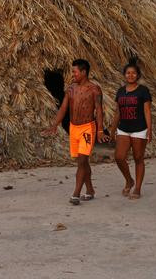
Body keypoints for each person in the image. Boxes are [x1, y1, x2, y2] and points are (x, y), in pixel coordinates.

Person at [43, 59, 105, 205]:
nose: (73, 74)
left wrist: (100, 130)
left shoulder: (94, 89)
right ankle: (90, 190)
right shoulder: (71, 89)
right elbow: (63, 108)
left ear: (83, 72)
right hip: (74, 128)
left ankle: (76, 194)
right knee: (82, 161)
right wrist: (54, 125)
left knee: (82, 161)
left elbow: (99, 111)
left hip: (87, 128)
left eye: (75, 72)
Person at [109, 58, 152, 199]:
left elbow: (147, 111)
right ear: (124, 75)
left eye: (133, 73)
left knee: (138, 158)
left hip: (139, 129)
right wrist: (112, 130)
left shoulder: (143, 91)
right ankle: (129, 180)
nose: (131, 75)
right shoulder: (120, 91)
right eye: (128, 73)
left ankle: (137, 188)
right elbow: (118, 112)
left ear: (138, 75)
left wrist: (149, 129)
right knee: (119, 157)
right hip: (123, 128)